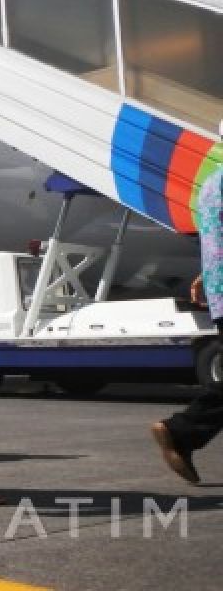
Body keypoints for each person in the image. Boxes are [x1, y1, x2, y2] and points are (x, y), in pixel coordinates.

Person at [152, 162, 223, 483]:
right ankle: (182, 431)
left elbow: (215, 238)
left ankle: (183, 432)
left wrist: (206, 274)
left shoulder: (210, 184)